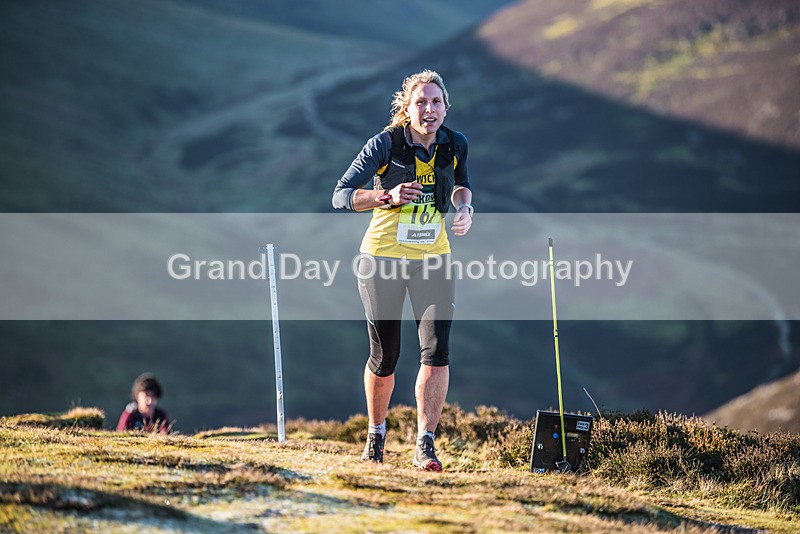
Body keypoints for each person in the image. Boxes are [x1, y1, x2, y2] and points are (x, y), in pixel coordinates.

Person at [332, 70, 473, 471]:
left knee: (437, 352)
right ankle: (376, 434)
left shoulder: (455, 143)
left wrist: (464, 208)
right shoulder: (385, 144)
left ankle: (424, 444)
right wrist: (385, 196)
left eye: (436, 102)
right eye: (421, 103)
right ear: (407, 108)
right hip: (382, 259)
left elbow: (462, 184)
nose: (429, 110)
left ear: (446, 106)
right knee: (385, 356)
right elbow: (340, 195)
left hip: (434, 258)